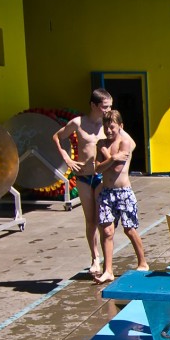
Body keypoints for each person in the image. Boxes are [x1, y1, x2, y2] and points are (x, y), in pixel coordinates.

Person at [52, 88, 113, 276]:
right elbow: (57, 136)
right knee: (91, 220)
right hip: (84, 177)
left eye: (110, 106)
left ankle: (107, 262)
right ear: (93, 105)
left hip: (102, 177)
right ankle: (95, 258)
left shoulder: (109, 124)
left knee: (104, 221)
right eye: (104, 107)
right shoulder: (78, 123)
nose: (108, 110)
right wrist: (67, 159)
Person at [92, 110, 148, 284]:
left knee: (129, 229)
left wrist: (108, 156)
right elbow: (97, 169)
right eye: (106, 127)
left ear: (120, 127)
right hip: (107, 193)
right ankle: (108, 270)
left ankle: (143, 262)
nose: (108, 131)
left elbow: (116, 169)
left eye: (112, 127)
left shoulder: (125, 143)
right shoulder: (101, 143)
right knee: (107, 231)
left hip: (124, 193)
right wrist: (112, 157)